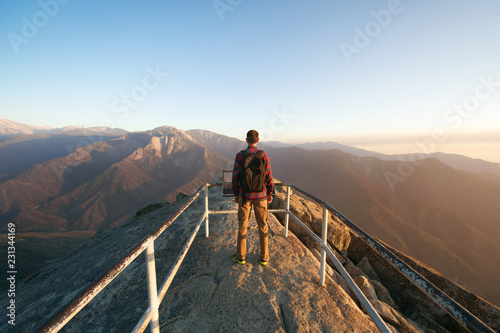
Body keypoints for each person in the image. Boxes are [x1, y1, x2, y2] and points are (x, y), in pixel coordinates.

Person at [232, 130, 274, 266]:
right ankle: (264, 257)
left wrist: (236, 194)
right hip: (261, 196)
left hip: (244, 196)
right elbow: (268, 176)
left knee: (242, 226)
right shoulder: (263, 155)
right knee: (263, 225)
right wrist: (269, 193)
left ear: (246, 140)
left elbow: (235, 177)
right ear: (258, 139)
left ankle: (241, 256)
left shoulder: (240, 155)